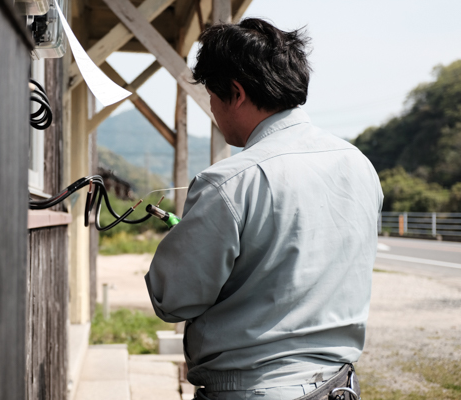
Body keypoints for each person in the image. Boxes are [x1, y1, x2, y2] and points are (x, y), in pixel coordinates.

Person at [144, 18, 383, 400]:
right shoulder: (357, 164)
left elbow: (172, 298)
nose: (213, 108)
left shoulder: (229, 182)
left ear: (235, 93)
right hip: (338, 386)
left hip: (254, 389)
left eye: (212, 95)